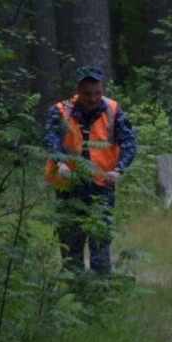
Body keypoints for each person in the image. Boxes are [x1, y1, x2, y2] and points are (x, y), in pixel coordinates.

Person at [43, 66, 137, 275]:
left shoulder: (114, 110)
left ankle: (101, 290)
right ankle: (73, 288)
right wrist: (61, 163)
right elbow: (50, 140)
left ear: (102, 89)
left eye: (97, 93)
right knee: (70, 241)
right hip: (68, 185)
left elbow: (129, 143)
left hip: (102, 184)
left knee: (100, 241)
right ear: (78, 90)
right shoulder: (60, 110)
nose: (93, 98)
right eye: (87, 93)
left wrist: (119, 170)